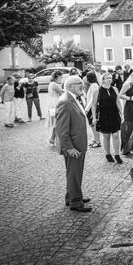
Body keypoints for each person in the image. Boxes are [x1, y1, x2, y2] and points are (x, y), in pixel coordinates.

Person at [55, 75, 92, 212]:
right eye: (79, 84)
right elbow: (61, 129)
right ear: (70, 86)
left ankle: (71, 196)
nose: (82, 86)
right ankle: (76, 203)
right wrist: (69, 148)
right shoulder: (65, 101)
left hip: (78, 143)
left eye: (82, 83)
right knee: (74, 174)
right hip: (73, 146)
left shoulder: (74, 98)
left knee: (74, 173)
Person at [89, 72, 123, 164]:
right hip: (104, 115)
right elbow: (93, 105)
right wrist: (94, 117)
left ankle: (117, 155)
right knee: (106, 136)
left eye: (110, 78)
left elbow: (118, 102)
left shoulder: (115, 89)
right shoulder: (97, 91)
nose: (109, 79)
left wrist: (122, 113)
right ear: (103, 80)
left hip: (114, 114)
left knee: (116, 135)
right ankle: (108, 154)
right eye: (107, 78)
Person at [84, 72, 102, 148]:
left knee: (93, 125)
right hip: (90, 107)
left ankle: (98, 141)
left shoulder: (94, 86)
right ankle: (95, 139)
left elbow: (92, 99)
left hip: (91, 108)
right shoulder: (93, 85)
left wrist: (87, 109)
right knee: (92, 125)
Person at [47, 70, 64, 146]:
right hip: (55, 104)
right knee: (57, 123)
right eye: (61, 77)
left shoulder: (51, 84)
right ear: (57, 76)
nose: (62, 78)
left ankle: (53, 139)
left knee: (56, 123)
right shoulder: (54, 85)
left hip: (51, 103)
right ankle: (54, 139)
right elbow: (62, 93)